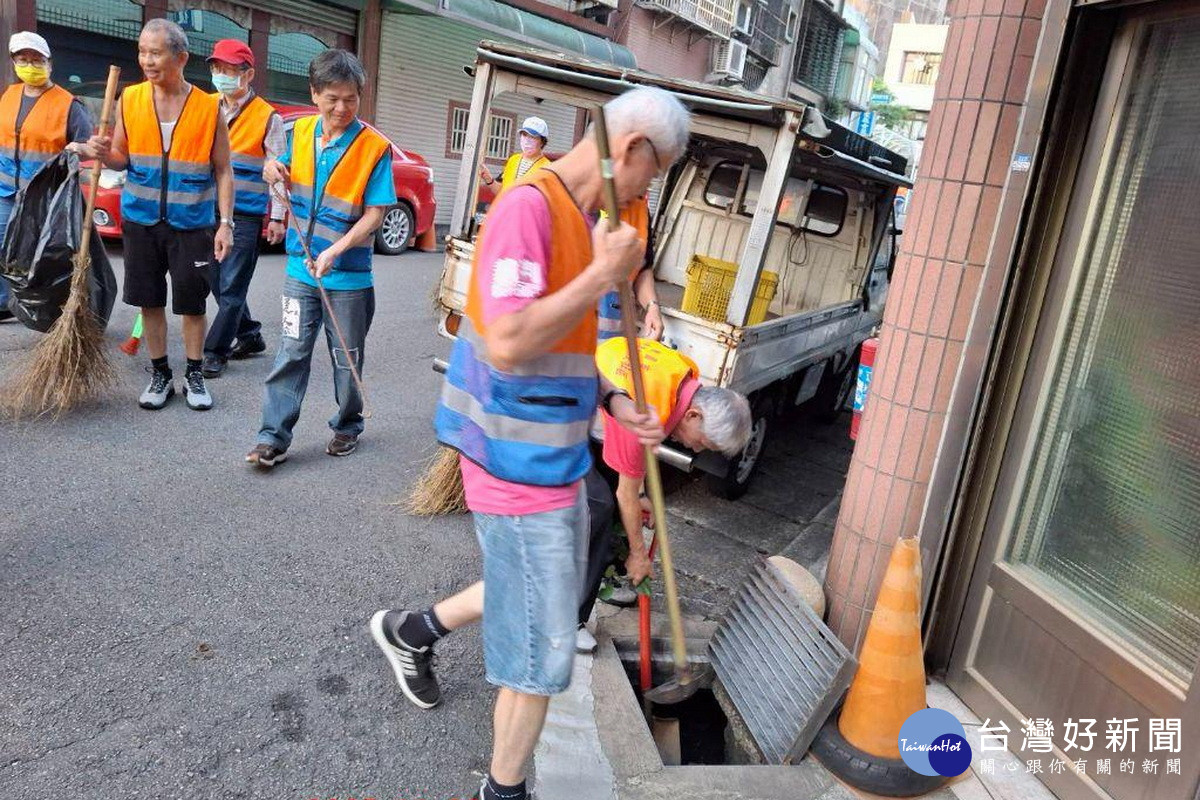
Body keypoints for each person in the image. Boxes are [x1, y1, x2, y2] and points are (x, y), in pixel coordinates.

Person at [370, 86, 689, 800]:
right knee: (543, 656)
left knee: (532, 607)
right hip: (515, 466)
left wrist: (612, 401)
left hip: (550, 460)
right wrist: (605, 277)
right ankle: (503, 789)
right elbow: (512, 342)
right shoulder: (529, 210)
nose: (646, 191)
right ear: (632, 150)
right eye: (653, 174)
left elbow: (562, 346)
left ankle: (412, 631)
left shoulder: (582, 220)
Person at [245, 49, 394, 468]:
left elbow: (376, 214)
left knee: (346, 359)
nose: (341, 108)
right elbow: (279, 170)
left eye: (350, 99)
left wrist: (335, 250)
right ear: (314, 94)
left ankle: (347, 425)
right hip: (300, 270)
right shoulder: (302, 132)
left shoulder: (374, 148)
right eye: (332, 98)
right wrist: (272, 169)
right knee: (290, 352)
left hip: (348, 277)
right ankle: (271, 437)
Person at [88, 19, 234, 410]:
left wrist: (225, 224)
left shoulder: (208, 107)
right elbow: (122, 158)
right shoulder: (130, 99)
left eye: (155, 52)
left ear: (181, 57)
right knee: (148, 301)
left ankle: (195, 373)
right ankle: (160, 374)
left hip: (192, 222)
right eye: (142, 51)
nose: (146, 60)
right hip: (141, 219)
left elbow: (223, 170)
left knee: (192, 303)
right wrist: (103, 154)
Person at [593, 336, 752, 590]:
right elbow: (626, 493)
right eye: (702, 442)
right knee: (597, 510)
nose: (696, 449)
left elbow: (637, 466)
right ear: (692, 415)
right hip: (571, 396)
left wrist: (642, 491)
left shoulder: (685, 377)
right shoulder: (641, 413)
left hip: (604, 358)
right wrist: (637, 554)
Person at [200, 39, 286, 378]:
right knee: (214, 279)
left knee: (233, 283)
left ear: (248, 74)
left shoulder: (268, 117)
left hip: (247, 213)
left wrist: (276, 217)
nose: (221, 75)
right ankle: (249, 335)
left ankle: (213, 352)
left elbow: (278, 172)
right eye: (216, 69)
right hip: (207, 208)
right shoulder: (205, 106)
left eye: (229, 70)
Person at [0, 32, 99, 322]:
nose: (30, 65)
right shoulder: (9, 95)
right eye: (23, 59)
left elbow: (88, 147)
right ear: (14, 62)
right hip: (5, 189)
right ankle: (5, 302)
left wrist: (77, 148)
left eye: (36, 60)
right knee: (2, 246)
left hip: (44, 197)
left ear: (49, 64)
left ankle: (44, 308)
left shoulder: (69, 105)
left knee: (40, 256)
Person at [596, 195, 665, 342]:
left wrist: (652, 307)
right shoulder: (567, 199)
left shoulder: (639, 209)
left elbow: (641, 270)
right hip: (569, 348)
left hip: (612, 346)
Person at [478, 115, 550, 192]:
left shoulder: (547, 168)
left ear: (542, 142)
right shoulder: (513, 159)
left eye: (533, 137)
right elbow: (502, 192)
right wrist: (489, 179)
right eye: (524, 135)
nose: (527, 141)